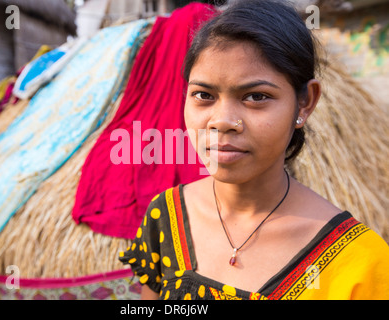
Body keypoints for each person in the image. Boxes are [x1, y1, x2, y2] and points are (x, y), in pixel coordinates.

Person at [119, 0, 389, 300]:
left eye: (256, 96)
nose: (222, 122)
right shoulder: (166, 218)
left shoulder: (359, 264)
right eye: (203, 95)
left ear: (305, 102)